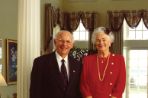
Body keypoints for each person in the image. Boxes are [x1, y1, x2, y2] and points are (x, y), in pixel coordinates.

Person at [30, 30, 82, 98]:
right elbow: (35, 91)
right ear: (55, 42)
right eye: (61, 41)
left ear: (72, 45)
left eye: (68, 41)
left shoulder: (77, 65)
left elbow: (78, 91)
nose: (64, 44)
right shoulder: (40, 62)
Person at [80, 27, 126, 98]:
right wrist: (88, 96)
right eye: (98, 40)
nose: (101, 43)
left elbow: (121, 83)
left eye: (104, 40)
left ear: (110, 43)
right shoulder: (87, 60)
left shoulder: (119, 59)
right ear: (95, 43)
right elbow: (84, 82)